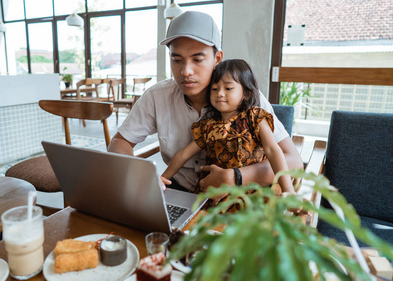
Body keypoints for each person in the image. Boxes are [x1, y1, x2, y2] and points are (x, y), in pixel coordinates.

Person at [108, 11, 303, 203]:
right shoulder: (157, 96)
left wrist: (236, 177)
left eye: (198, 59)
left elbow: (293, 161)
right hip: (180, 191)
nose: (186, 71)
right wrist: (140, 174)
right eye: (176, 60)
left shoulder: (245, 97)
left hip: (241, 197)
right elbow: (119, 142)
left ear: (217, 58)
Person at [161, 59, 295, 195]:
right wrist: (162, 178)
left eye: (228, 88)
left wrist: (288, 190)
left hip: (249, 195)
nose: (219, 93)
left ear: (247, 93)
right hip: (213, 194)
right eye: (214, 89)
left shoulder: (256, 118)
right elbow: (183, 155)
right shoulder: (208, 126)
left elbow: (273, 151)